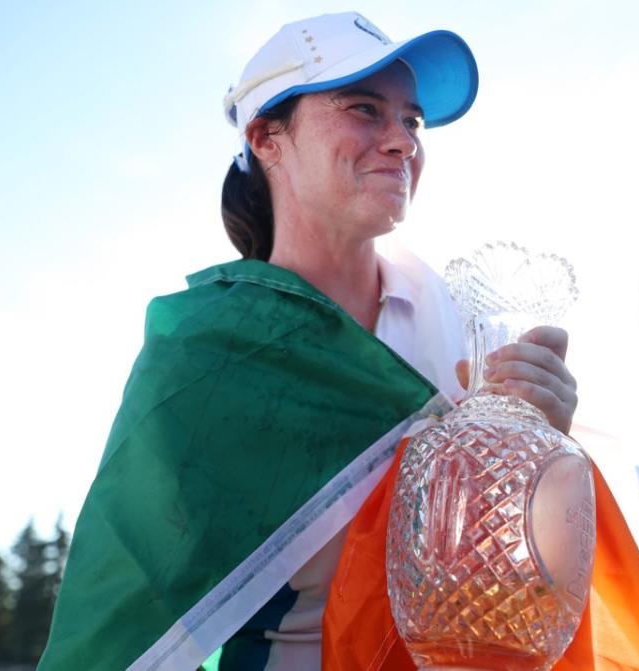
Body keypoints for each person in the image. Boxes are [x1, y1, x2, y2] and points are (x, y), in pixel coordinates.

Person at [39, 13, 579, 671]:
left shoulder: (457, 318)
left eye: (411, 120)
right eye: (363, 108)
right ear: (266, 135)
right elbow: (127, 617)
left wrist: (547, 447)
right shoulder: (203, 354)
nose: (402, 141)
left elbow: (513, 573)